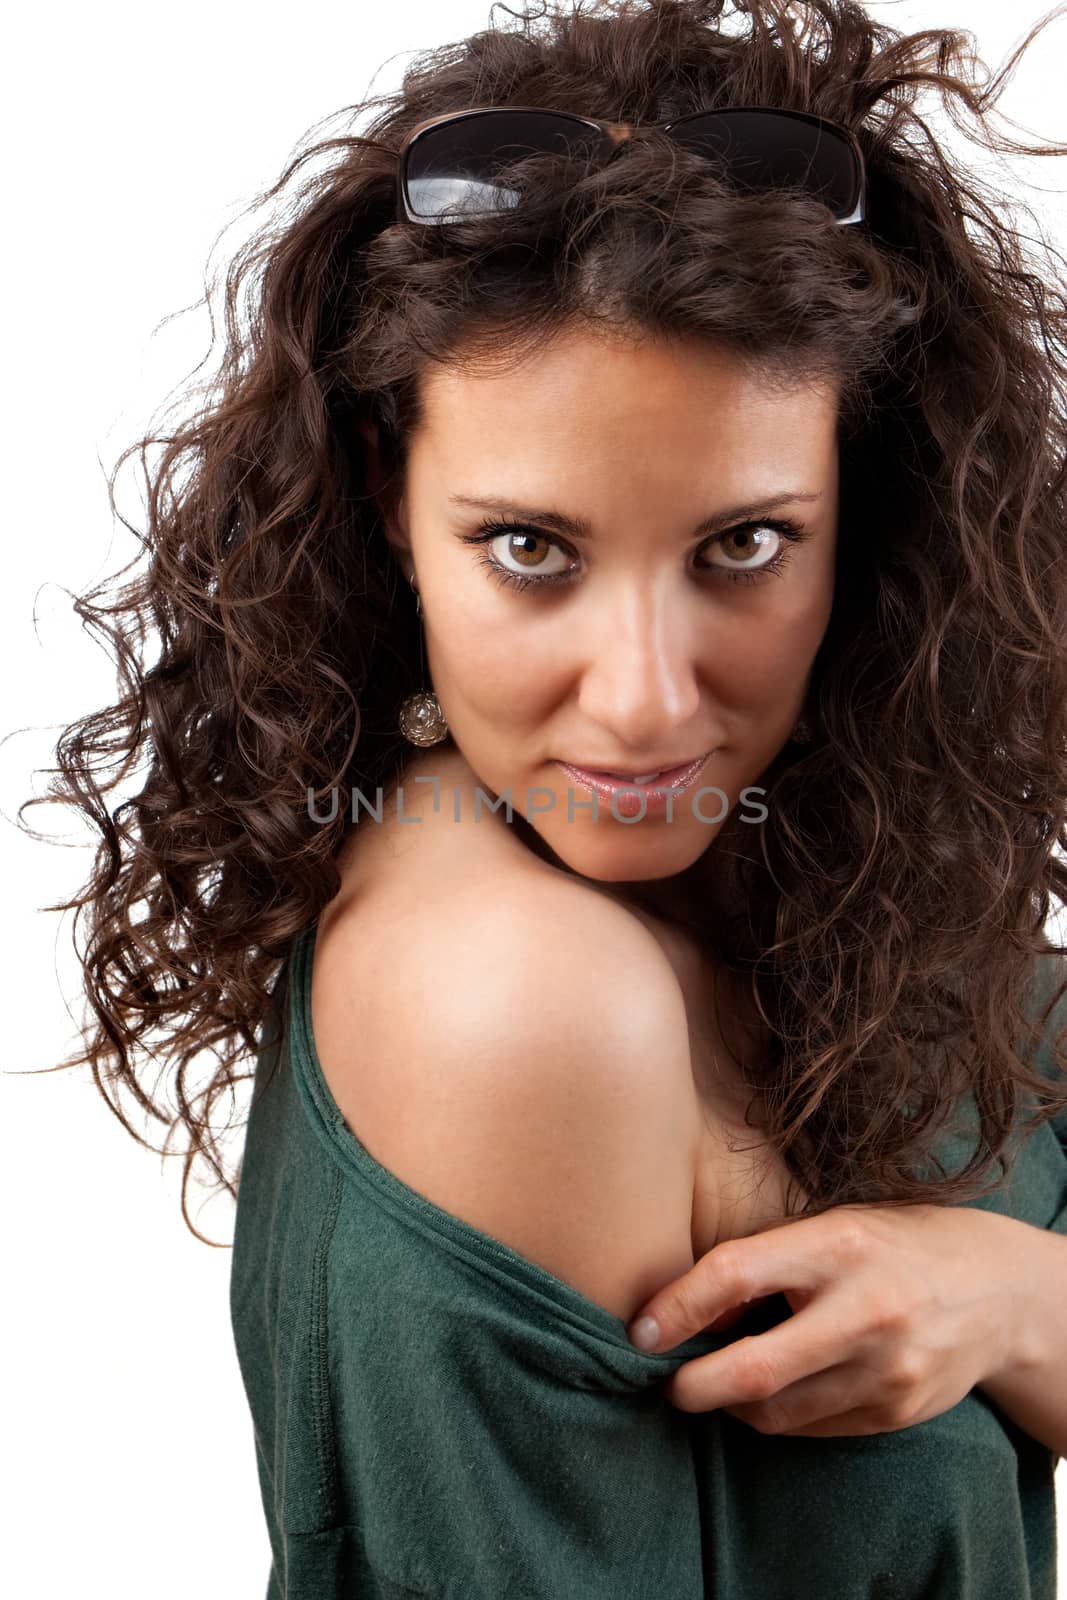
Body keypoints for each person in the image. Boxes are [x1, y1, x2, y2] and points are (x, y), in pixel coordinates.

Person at [25, 0, 1067, 1595]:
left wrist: (1012, 1300)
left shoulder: (872, 861)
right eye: (531, 549)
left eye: (743, 546)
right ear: (387, 501)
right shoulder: (519, 1000)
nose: (645, 700)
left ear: (867, 511)